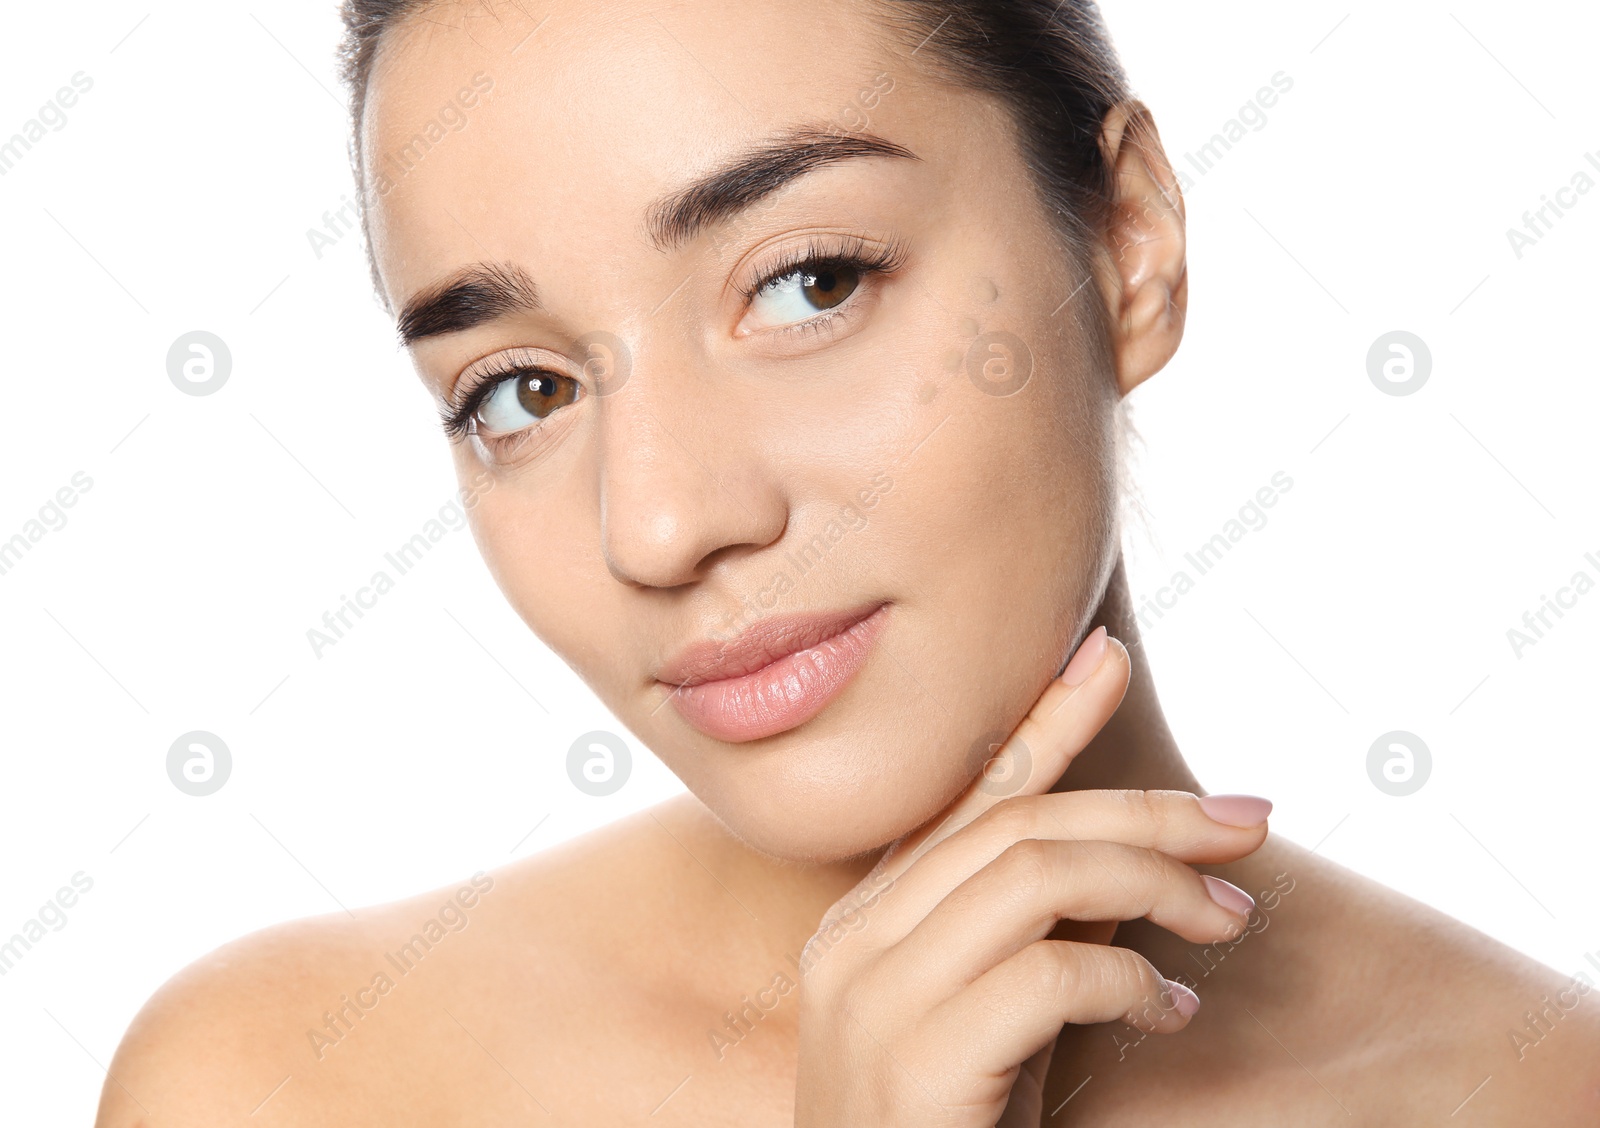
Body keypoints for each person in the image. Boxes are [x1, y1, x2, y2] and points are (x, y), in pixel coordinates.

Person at [96, 0, 1600, 1122]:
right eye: (523, 389)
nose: (663, 526)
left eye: (810, 282)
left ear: (1127, 242)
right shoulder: (283, 1083)